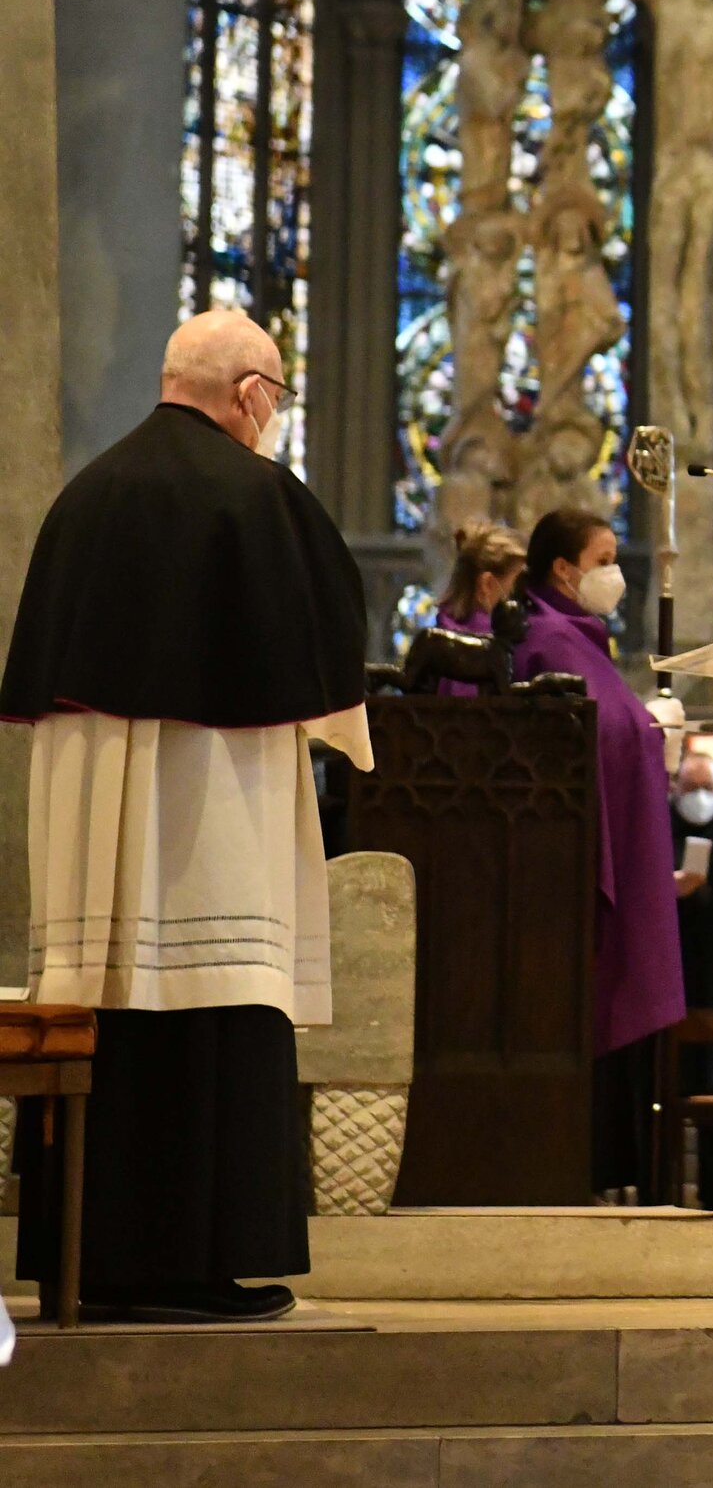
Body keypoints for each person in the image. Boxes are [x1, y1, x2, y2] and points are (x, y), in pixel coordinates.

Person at [0, 310, 372, 1322]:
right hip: (216, 805)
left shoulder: (85, 496)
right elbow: (335, 647)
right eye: (280, 395)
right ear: (252, 393)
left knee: (105, 1004)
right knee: (212, 994)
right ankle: (198, 1265)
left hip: (91, 810)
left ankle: (94, 1260)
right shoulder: (259, 497)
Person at [514, 507, 686, 1203]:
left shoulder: (583, 637)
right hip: (570, 870)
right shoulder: (550, 639)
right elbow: (598, 734)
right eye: (605, 556)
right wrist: (650, 731)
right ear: (563, 568)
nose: (616, 572)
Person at [671, 748, 713, 1210]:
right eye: (691, 788)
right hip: (673, 976)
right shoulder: (659, 830)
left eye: (708, 788)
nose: (700, 797)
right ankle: (662, 1189)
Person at [435, 519, 526, 637]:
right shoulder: (489, 646)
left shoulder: (440, 633)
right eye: (517, 583)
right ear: (487, 584)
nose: (524, 595)